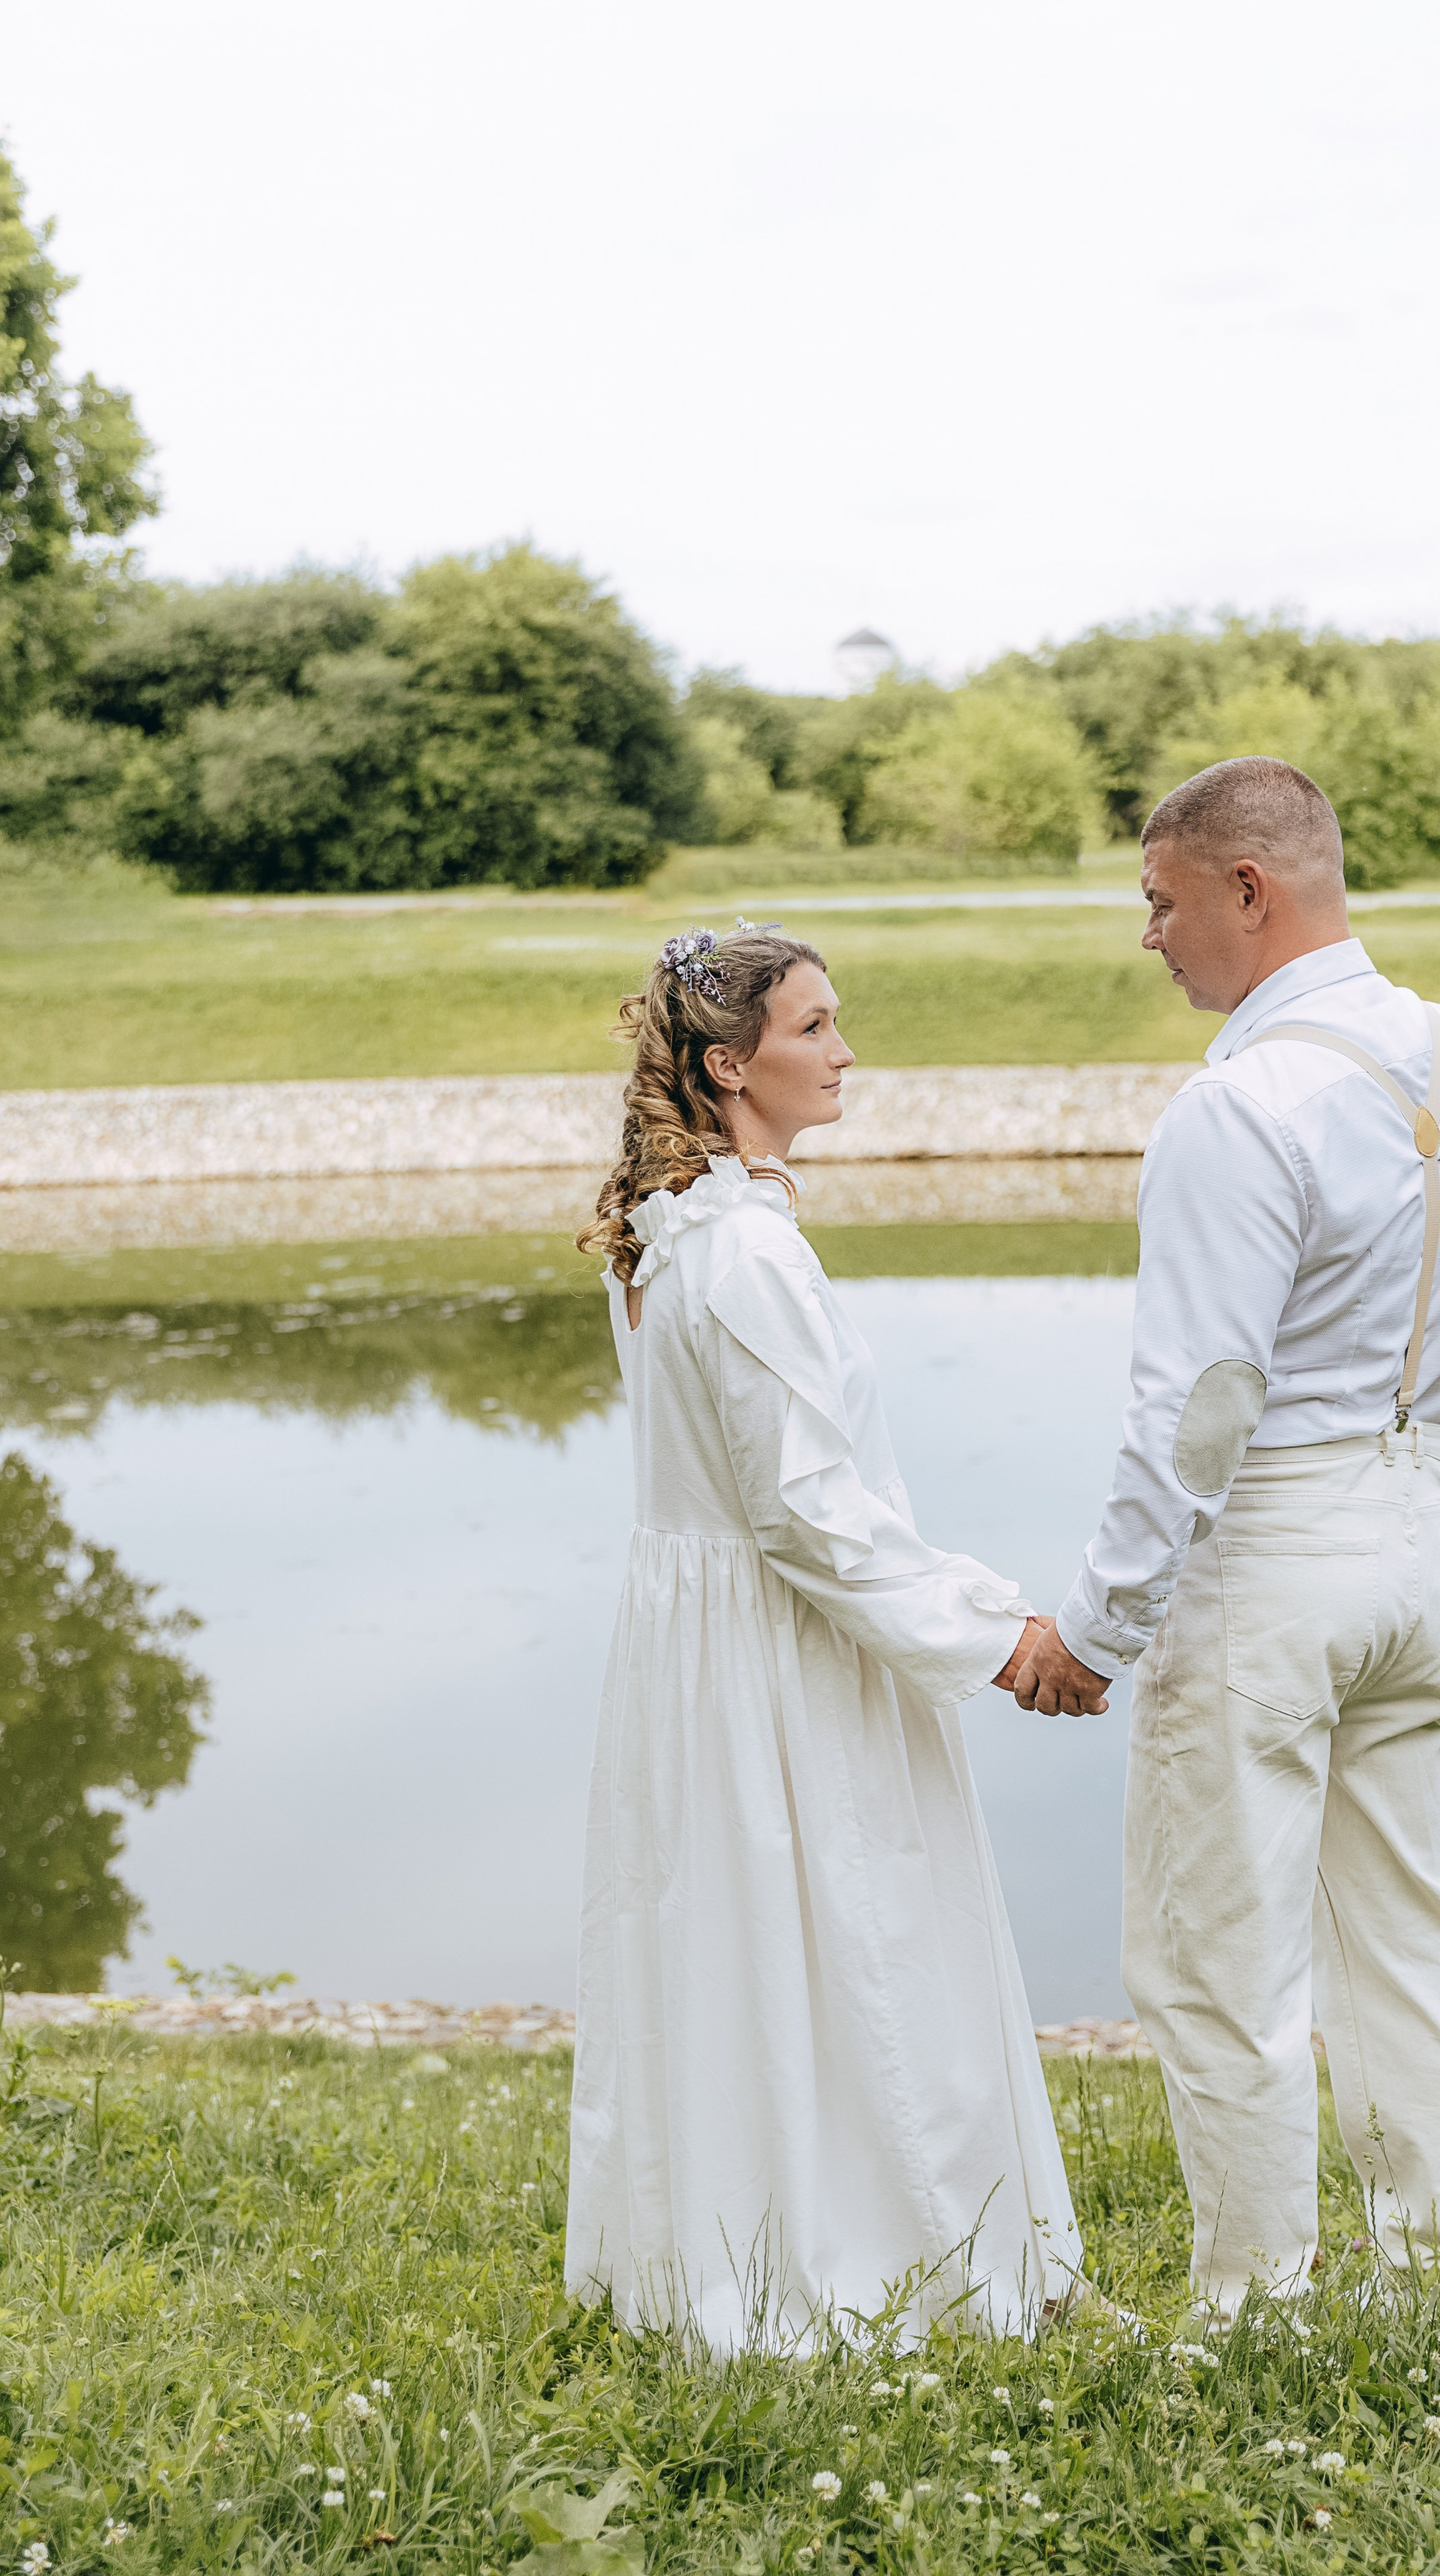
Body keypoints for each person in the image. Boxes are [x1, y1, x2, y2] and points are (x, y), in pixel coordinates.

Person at [1014, 759, 1440, 2318]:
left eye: (1160, 902)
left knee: (1211, 1955)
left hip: (1276, 1547)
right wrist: (1426, 1496)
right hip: (1424, 1532)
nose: (1149, 936)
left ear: (1251, 889)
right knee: (1406, 1924)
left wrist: (1097, 1628)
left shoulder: (1237, 1106)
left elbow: (1198, 1410)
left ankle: (1253, 2303)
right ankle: (1425, 2274)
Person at [565, 922, 1080, 2352]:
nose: (845, 1051)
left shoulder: (686, 1232)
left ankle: (765, 2230)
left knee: (753, 1945)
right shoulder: (739, 1257)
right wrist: (998, 1632)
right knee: (855, 1936)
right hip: (774, 1654)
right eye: (814, 1028)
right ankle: (873, 2263)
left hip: (710, 1644)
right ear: (732, 1064)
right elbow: (807, 1516)